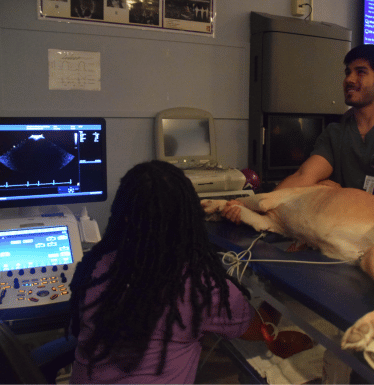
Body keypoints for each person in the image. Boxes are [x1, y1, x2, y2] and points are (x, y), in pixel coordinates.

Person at [68, 160, 275, 383]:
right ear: (189, 220)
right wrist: (275, 292)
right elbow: (261, 331)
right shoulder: (202, 287)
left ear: (124, 216)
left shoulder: (95, 267)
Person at [273, 44, 374, 206]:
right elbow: (303, 176)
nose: (349, 79)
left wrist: (347, 199)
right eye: (348, 72)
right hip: (342, 228)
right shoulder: (335, 133)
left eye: (360, 72)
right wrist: (262, 203)